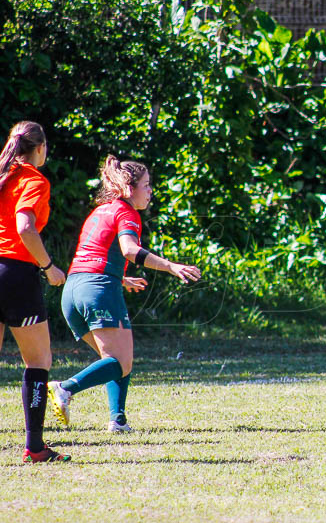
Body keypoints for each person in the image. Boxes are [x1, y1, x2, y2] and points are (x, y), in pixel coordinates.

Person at [48, 156, 201, 433]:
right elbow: (129, 250)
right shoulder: (127, 212)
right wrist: (171, 266)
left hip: (73, 291)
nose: (150, 191)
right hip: (97, 290)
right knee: (120, 361)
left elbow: (94, 255)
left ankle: (118, 420)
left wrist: (120, 277)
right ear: (129, 188)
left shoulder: (101, 210)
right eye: (146, 185)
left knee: (116, 360)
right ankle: (65, 388)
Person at [0, 122, 70, 462]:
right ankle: (35, 447)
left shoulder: (2, 174)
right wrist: (47, 266)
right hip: (15, 274)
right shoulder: (33, 179)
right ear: (39, 148)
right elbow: (24, 225)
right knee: (39, 361)